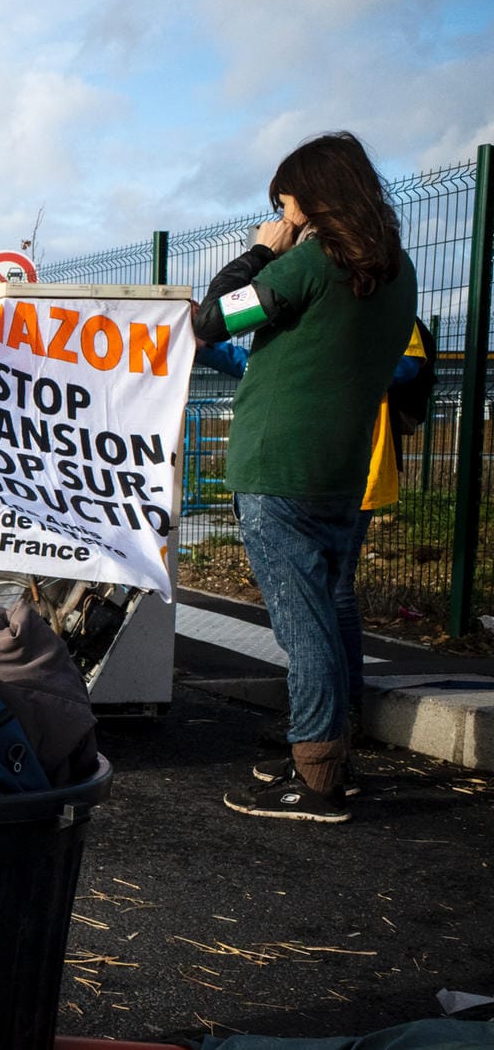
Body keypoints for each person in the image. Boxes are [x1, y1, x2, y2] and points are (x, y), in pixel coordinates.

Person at [194, 131, 416, 824]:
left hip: (278, 464)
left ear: (313, 201)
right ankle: (321, 739)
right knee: (324, 603)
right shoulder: (398, 268)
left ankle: (317, 778)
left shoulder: (308, 264)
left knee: (304, 619)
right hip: (344, 468)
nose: (284, 216)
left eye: (287, 204)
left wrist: (265, 248)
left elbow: (211, 320)